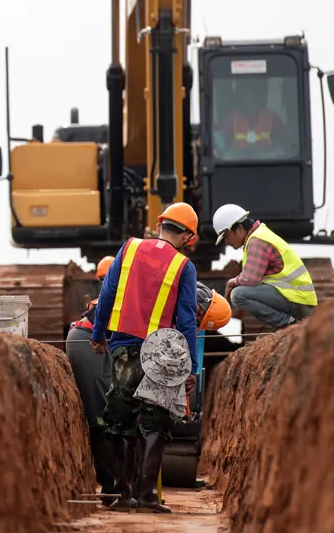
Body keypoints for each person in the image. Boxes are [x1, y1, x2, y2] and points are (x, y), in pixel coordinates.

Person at [90, 203, 200, 514]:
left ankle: (123, 494)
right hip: (161, 352)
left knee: (121, 419)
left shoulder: (130, 248)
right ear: (188, 237)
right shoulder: (184, 266)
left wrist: (98, 334)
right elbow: (187, 320)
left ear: (160, 225)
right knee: (156, 423)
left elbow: (107, 294)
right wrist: (190, 367)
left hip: (124, 346)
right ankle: (147, 495)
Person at [213, 204, 317, 329]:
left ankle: (288, 324)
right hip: (296, 297)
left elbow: (250, 280)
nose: (226, 242)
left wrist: (231, 282)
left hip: (297, 299)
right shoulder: (258, 236)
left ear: (239, 228)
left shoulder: (257, 241)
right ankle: (289, 324)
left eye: (226, 236)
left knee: (238, 295)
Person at [66, 256, 115, 501]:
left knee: (109, 410)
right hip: (87, 342)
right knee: (101, 415)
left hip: (94, 342)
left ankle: (115, 484)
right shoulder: (114, 295)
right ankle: (110, 487)